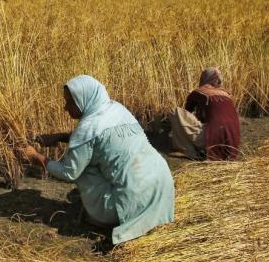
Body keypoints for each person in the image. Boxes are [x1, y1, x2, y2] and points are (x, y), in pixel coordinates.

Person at [17, 75, 174, 247]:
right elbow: (102, 139)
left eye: (70, 102)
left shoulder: (86, 130)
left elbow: (69, 173)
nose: (65, 108)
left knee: (83, 170)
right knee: (94, 160)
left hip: (134, 199)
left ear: (84, 100)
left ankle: (102, 218)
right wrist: (61, 137)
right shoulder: (117, 109)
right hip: (162, 186)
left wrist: (36, 157)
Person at [167, 67, 241, 161]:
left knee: (175, 112)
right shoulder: (227, 95)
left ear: (204, 78)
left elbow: (187, 111)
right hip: (233, 144)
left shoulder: (200, 92)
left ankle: (186, 150)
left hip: (211, 139)